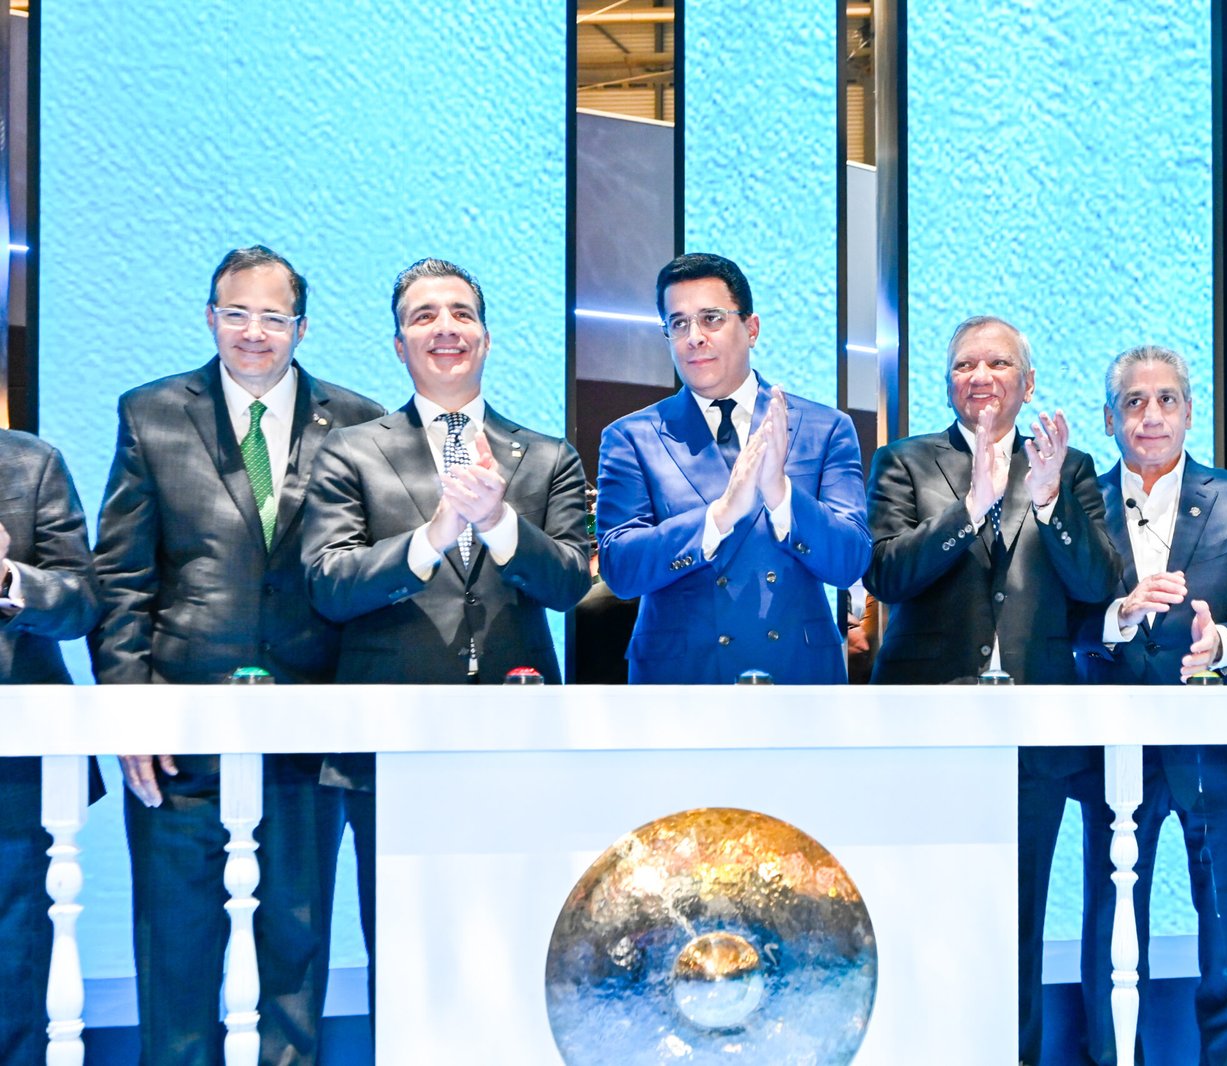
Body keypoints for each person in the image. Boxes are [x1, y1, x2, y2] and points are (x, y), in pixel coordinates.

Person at [89, 245, 385, 1066]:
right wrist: (128, 709)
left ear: (302, 327)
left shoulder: (358, 422)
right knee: (175, 957)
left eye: (273, 317)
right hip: (178, 736)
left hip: (309, 733)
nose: (254, 332)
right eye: (236, 313)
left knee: (296, 956)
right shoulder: (151, 413)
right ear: (210, 317)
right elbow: (121, 579)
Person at [301, 256, 590, 1011]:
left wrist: (497, 521)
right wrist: (431, 537)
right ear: (399, 346)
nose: (445, 328)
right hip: (390, 740)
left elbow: (569, 582)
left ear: (485, 337)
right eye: (423, 316)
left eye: (462, 313)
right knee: (404, 956)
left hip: (519, 738)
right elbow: (329, 583)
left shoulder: (546, 456)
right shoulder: (350, 451)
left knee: (523, 948)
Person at [859, 314, 1119, 1066]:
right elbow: (886, 574)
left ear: (1027, 384)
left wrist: (1050, 500)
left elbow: (1098, 584)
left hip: (1034, 730)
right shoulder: (905, 461)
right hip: (924, 724)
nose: (980, 376)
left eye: (998, 364)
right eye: (965, 365)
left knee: (1019, 918)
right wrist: (968, 509)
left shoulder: (1069, 467)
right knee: (919, 911)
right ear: (948, 383)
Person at [1072, 345, 1227, 1066]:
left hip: (1213, 739)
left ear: (1190, 412)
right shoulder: (1078, 503)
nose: (1151, 415)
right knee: (1110, 916)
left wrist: (1224, 642)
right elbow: (1053, 616)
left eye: (1167, 399)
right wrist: (1116, 618)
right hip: (1110, 739)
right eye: (1134, 401)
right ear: (1109, 418)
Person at [595, 253, 870, 683]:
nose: (694, 337)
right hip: (681, 680)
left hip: (798, 675)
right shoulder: (631, 437)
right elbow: (620, 569)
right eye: (678, 323)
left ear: (751, 328)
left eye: (711, 318)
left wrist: (781, 495)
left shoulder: (824, 427)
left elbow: (850, 560)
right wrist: (718, 517)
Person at [0, 429, 100, 1066]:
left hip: (13, 767)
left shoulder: (28, 463)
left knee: (15, 962)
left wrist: (9, 577)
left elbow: (82, 603)